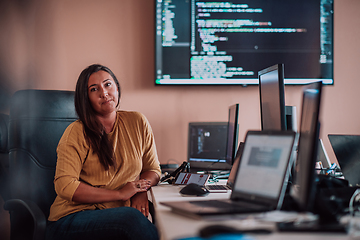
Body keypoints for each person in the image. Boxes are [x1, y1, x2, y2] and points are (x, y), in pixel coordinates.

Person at [46, 64, 161, 240]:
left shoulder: (137, 122)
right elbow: (65, 185)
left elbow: (153, 169)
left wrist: (140, 190)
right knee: (131, 219)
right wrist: (120, 194)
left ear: (117, 87)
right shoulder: (76, 132)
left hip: (118, 214)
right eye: (94, 89)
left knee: (159, 215)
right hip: (72, 217)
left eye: (108, 84)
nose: (104, 93)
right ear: (86, 98)